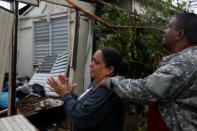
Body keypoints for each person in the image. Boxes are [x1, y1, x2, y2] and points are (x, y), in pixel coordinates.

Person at [97, 12, 197, 131]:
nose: (164, 31)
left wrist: (110, 82)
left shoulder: (185, 62)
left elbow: (146, 90)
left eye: (169, 27)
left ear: (179, 34)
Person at [47, 47, 128, 131]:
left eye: (96, 62)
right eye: (92, 60)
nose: (90, 65)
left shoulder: (107, 91)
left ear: (110, 69)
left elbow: (80, 116)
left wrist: (65, 95)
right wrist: (71, 94)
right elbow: (84, 106)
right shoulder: (97, 82)